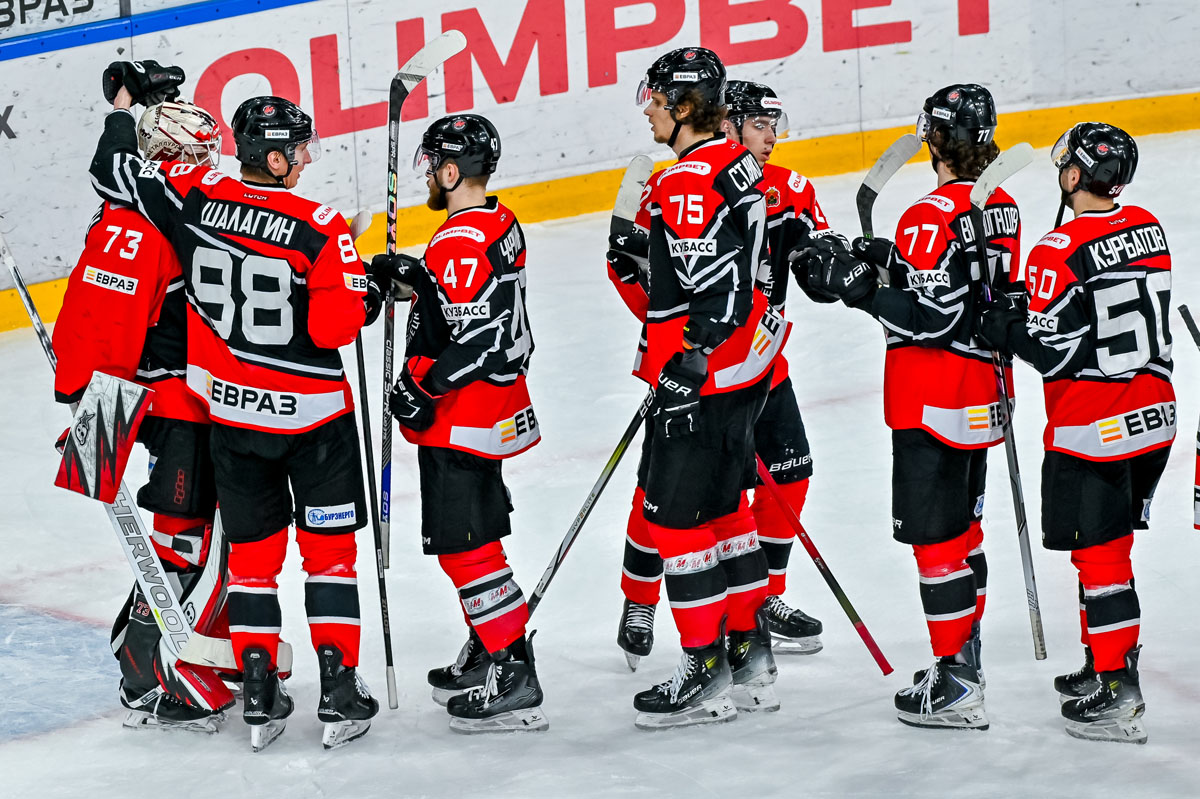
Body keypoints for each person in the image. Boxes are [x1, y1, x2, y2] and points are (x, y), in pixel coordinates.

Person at [89, 67, 381, 751]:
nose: (306, 158)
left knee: (251, 560)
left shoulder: (194, 202)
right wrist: (366, 289)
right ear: (275, 158)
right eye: (299, 149)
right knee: (330, 557)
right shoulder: (322, 225)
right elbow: (336, 327)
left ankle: (256, 687)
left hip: (234, 420)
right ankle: (338, 687)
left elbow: (116, 171)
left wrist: (128, 109)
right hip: (315, 424)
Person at [793, 84, 1021, 730]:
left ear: (935, 139)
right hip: (986, 395)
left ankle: (956, 681)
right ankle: (966, 660)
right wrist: (889, 261)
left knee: (936, 543)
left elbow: (930, 316)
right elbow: (960, 286)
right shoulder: (1001, 204)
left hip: (933, 399)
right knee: (966, 534)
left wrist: (860, 290)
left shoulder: (926, 214)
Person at [611, 79, 825, 669]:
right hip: (699, 367)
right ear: (728, 124)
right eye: (759, 124)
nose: (770, 137)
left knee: (786, 474)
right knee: (662, 493)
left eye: (775, 125)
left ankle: (760, 603)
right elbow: (650, 282)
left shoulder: (786, 187)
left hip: (756, 362)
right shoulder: (682, 184)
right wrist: (671, 340)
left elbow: (813, 252)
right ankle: (639, 599)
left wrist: (829, 259)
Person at [978, 122, 1173, 744]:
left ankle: (1117, 687)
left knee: (1102, 556)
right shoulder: (1149, 226)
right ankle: (1103, 663)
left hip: (1096, 425)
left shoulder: (1055, 249)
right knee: (1110, 548)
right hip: (1155, 415)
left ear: (1072, 175)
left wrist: (1005, 325)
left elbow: (1053, 352)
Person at [54, 100, 234, 733]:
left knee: (218, 541)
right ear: (163, 158)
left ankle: (197, 658)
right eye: (194, 155)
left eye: (209, 153)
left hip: (217, 400)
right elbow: (99, 325)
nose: (207, 166)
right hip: (177, 406)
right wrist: (88, 415)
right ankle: (150, 671)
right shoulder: (137, 224)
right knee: (187, 541)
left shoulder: (179, 203)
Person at [376, 113, 546, 733]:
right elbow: (469, 306)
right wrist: (418, 281)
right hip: (494, 408)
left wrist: (421, 386)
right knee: (478, 535)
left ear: (451, 171)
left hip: (464, 415)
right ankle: (489, 642)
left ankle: (513, 667)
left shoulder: (455, 242)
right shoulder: (499, 220)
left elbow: (482, 338)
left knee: (464, 548)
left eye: (432, 166)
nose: (427, 175)